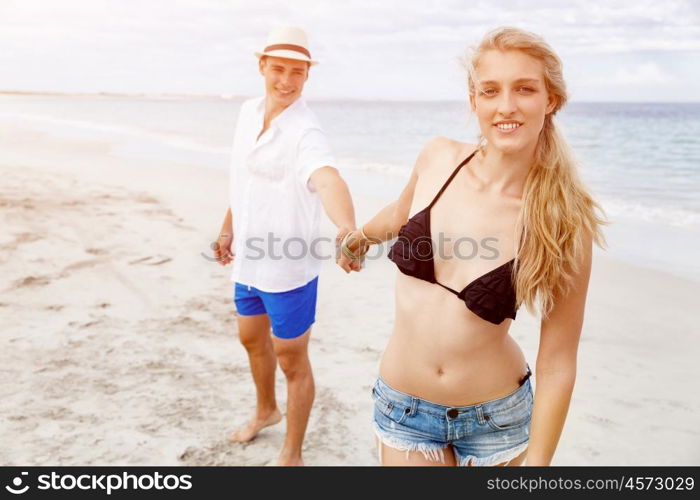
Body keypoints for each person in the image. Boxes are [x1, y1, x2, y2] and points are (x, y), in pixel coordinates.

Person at [338, 26, 607, 466]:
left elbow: (558, 360)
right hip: (403, 409)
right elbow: (399, 212)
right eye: (490, 90)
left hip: (495, 421)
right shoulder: (439, 158)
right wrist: (359, 239)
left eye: (525, 88)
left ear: (550, 99)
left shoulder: (563, 222)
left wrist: (538, 464)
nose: (506, 106)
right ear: (473, 100)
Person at [214, 26, 358, 466]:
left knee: (291, 360)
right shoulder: (247, 111)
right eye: (279, 69)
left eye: (298, 72)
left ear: (307, 75)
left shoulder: (305, 132)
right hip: (248, 264)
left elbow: (327, 177)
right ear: (262, 66)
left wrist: (347, 229)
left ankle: (291, 453)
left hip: (288, 271)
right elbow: (245, 179)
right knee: (250, 340)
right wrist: (227, 228)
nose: (287, 81)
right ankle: (266, 409)